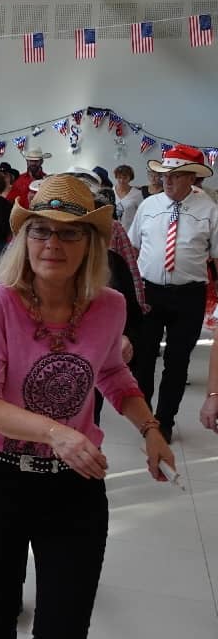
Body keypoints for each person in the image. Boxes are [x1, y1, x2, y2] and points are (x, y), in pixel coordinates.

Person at [0, 174, 175, 639]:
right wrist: (59, 432)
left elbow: (113, 374)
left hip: (73, 488)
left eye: (69, 233)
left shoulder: (110, 306)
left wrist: (150, 427)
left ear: (91, 245)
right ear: (24, 238)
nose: (52, 244)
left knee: (64, 633)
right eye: (40, 231)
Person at [127, 145, 218, 443]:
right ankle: (145, 417)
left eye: (176, 175)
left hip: (189, 296)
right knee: (142, 359)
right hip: (149, 293)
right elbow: (133, 248)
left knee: (177, 363)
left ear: (192, 177)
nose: (167, 180)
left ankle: (165, 420)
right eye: (165, 174)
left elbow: (216, 257)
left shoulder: (210, 210)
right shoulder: (149, 205)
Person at [113, 164, 144, 231]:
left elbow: (142, 215)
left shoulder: (137, 194)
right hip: (112, 233)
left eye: (125, 178)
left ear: (130, 178)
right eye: (119, 177)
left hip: (130, 233)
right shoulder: (110, 192)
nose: (121, 180)